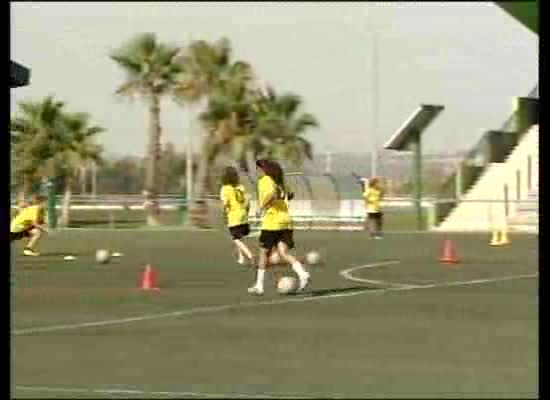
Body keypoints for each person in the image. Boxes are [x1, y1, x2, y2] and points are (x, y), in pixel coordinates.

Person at [248, 159, 310, 295]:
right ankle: (302, 273)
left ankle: (259, 286)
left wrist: (261, 207)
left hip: (272, 223)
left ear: (264, 170)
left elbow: (271, 195)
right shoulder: (280, 183)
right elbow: (290, 195)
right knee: (283, 252)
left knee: (263, 253)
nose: (257, 172)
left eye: (258, 169)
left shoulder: (265, 180)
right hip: (286, 221)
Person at [220, 166, 254, 265]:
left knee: (235, 239)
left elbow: (225, 204)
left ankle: (250, 255)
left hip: (234, 216)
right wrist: (246, 213)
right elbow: (247, 202)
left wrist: (224, 215)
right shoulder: (240, 187)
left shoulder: (225, 189)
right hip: (243, 214)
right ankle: (241, 258)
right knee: (240, 237)